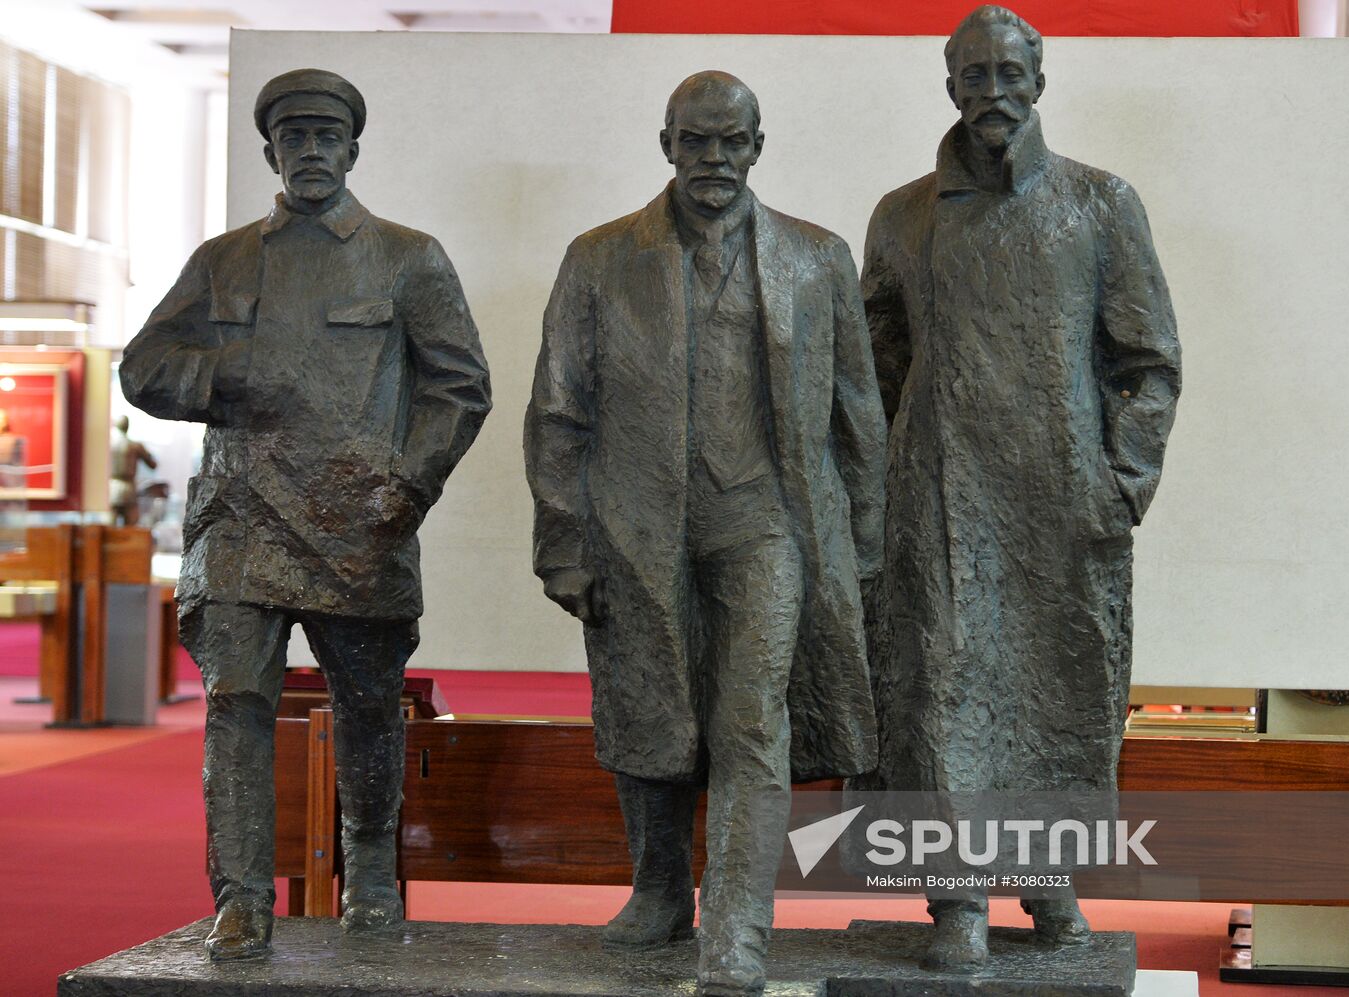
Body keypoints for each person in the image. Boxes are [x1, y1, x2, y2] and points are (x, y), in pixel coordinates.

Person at [525, 71, 885, 996]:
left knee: (752, 718)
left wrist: (863, 547)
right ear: (667, 145)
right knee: (650, 704)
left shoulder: (818, 257)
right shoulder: (600, 258)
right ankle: (658, 890)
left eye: (731, 141)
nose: (714, 159)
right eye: (696, 142)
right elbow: (558, 412)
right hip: (637, 523)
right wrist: (563, 538)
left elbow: (858, 417)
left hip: (766, 522)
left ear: (758, 146)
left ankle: (737, 925)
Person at [120, 68, 491, 961]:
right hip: (240, 518)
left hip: (363, 524)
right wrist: (216, 378)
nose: (312, 153)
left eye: (328, 138)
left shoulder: (409, 256)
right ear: (271, 153)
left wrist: (408, 488)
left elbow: (460, 387)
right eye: (296, 139)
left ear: (353, 150)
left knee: (367, 705)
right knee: (236, 702)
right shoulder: (223, 261)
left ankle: (369, 864)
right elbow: (142, 367)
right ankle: (242, 896)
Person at [858, 5, 1182, 969]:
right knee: (941, 694)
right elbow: (875, 372)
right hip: (939, 502)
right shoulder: (901, 215)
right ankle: (954, 897)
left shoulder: (1101, 204)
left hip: (1065, 505)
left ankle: (1048, 878)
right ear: (949, 84)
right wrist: (877, 498)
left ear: (1039, 80)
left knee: (1066, 689)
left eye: (1010, 72)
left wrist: (1123, 480)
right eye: (975, 75)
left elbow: (1147, 362)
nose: (993, 93)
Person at [110, 415, 158, 526]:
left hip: (112, 487)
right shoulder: (135, 445)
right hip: (129, 488)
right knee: (131, 528)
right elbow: (152, 464)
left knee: (111, 527)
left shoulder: (109, 444)